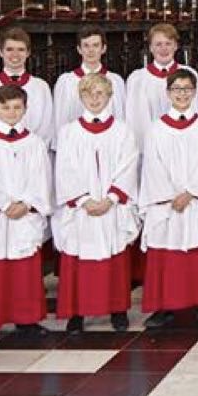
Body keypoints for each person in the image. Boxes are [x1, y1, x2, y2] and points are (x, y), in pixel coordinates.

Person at [0, 84, 53, 346]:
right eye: (5, 107)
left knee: (23, 270)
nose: (11, 112)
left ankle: (27, 319)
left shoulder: (35, 143)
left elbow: (42, 179)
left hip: (24, 216)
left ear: (26, 109)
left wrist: (27, 203)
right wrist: (4, 204)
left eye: (17, 107)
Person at [52, 73, 139, 333]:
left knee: (115, 257)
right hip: (83, 209)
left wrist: (112, 197)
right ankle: (76, 313)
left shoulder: (122, 130)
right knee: (79, 258)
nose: (94, 98)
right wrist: (83, 199)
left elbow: (128, 164)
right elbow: (65, 168)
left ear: (110, 96)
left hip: (111, 206)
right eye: (89, 93)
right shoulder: (69, 132)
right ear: (80, 97)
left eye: (100, 93)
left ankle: (117, 309)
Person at [138, 70, 198, 328]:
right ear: (168, 93)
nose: (182, 94)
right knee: (165, 253)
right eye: (177, 89)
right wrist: (170, 195)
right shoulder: (156, 128)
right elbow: (152, 165)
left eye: (187, 89)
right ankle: (163, 307)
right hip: (166, 202)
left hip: (196, 200)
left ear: (195, 92)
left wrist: (191, 192)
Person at [0, 27, 55, 147]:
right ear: (0, 52)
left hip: (31, 153)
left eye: (21, 49)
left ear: (28, 53)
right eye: (9, 49)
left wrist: (32, 149)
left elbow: (46, 126)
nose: (15, 55)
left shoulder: (41, 87)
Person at [126, 23, 198, 140]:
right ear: (150, 48)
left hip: (184, 142)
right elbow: (134, 121)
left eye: (168, 44)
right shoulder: (137, 79)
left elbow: (197, 111)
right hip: (150, 144)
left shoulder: (189, 74)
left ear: (175, 46)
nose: (163, 49)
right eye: (158, 44)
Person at [53, 26, 128, 134]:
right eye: (86, 46)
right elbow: (60, 119)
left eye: (96, 45)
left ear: (103, 48)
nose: (91, 50)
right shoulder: (66, 82)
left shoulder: (115, 81)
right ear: (79, 49)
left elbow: (121, 116)